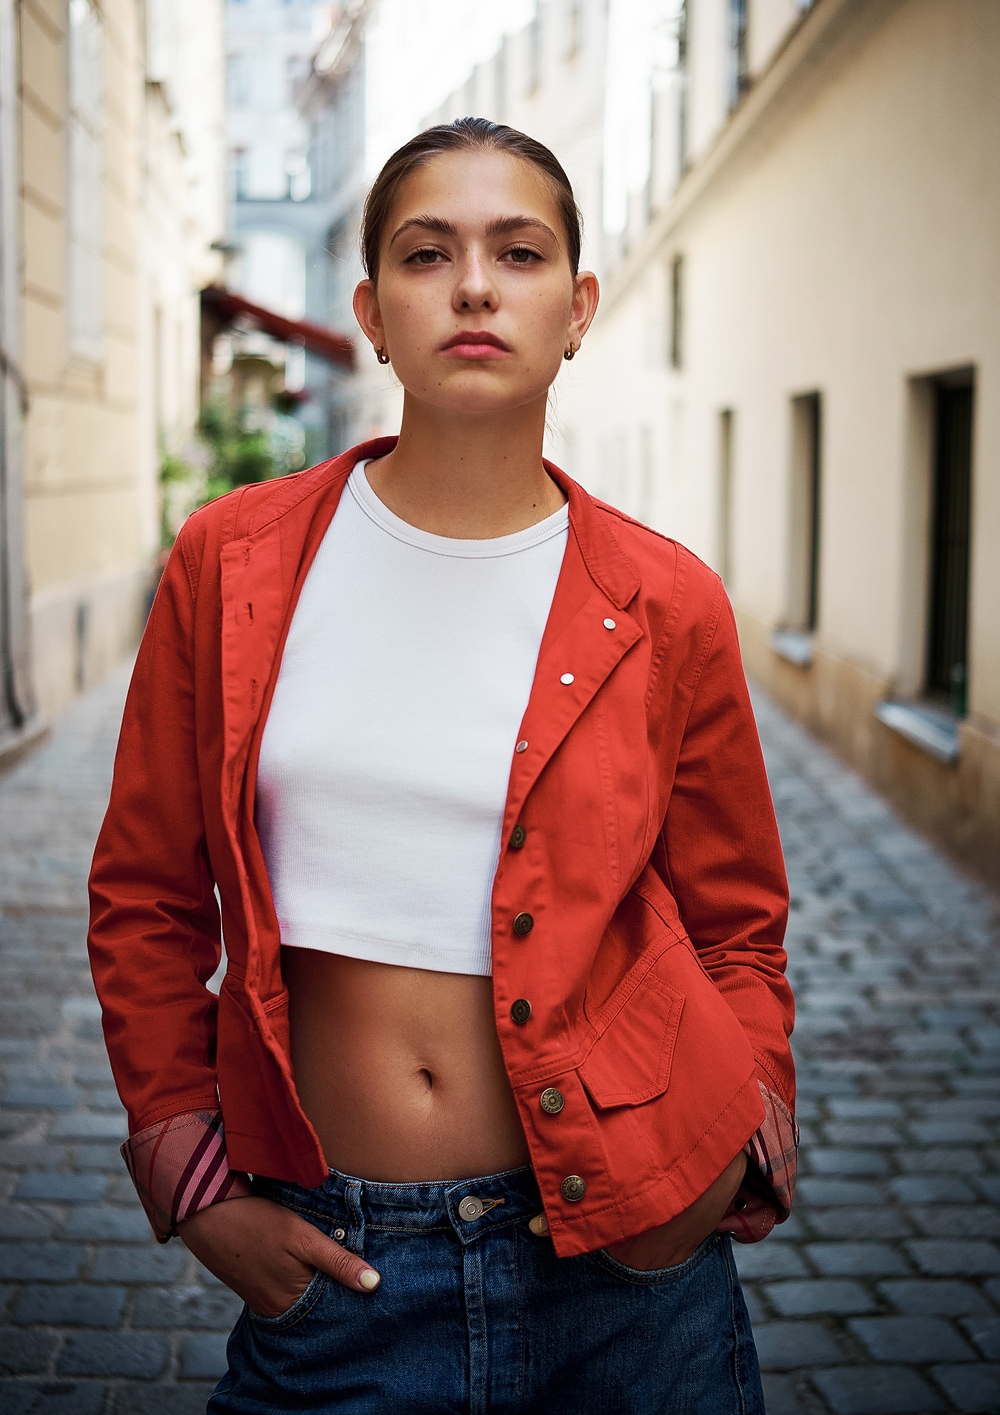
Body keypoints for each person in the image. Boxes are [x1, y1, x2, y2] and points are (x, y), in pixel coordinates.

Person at [88, 118, 797, 1414]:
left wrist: (740, 1147)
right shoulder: (232, 564)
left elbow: (739, 922)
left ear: (578, 308)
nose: (474, 285)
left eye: (518, 252)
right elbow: (144, 894)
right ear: (370, 308)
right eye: (429, 253)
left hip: (630, 1283)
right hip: (341, 1268)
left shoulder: (668, 602)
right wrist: (192, 1185)